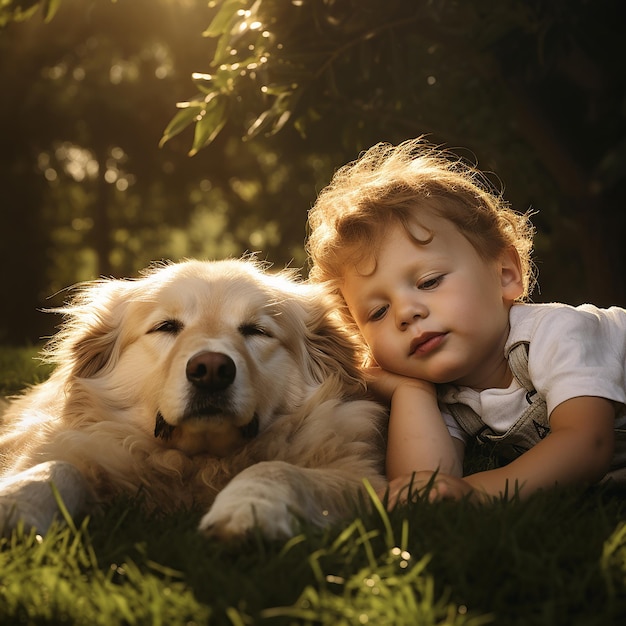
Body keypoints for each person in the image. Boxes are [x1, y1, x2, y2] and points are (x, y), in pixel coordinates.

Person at [306, 137, 626, 506]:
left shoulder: (556, 334)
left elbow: (589, 442)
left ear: (505, 274)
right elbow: (423, 486)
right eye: (377, 312)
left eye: (429, 282)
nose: (406, 313)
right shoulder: (448, 393)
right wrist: (411, 392)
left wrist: (476, 493)